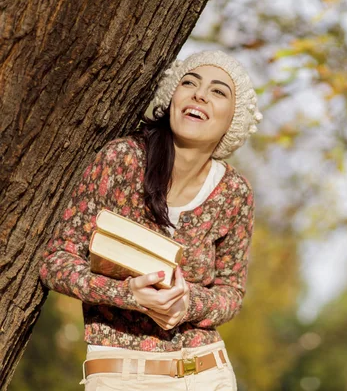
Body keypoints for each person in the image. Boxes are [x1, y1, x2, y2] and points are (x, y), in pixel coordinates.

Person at [39, 50, 262, 390]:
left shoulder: (235, 193)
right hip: (120, 375)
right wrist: (128, 294)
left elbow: (231, 293)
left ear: (233, 118)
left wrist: (189, 304)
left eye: (218, 91)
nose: (199, 94)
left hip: (207, 372)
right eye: (189, 82)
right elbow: (55, 262)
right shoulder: (121, 160)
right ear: (172, 96)